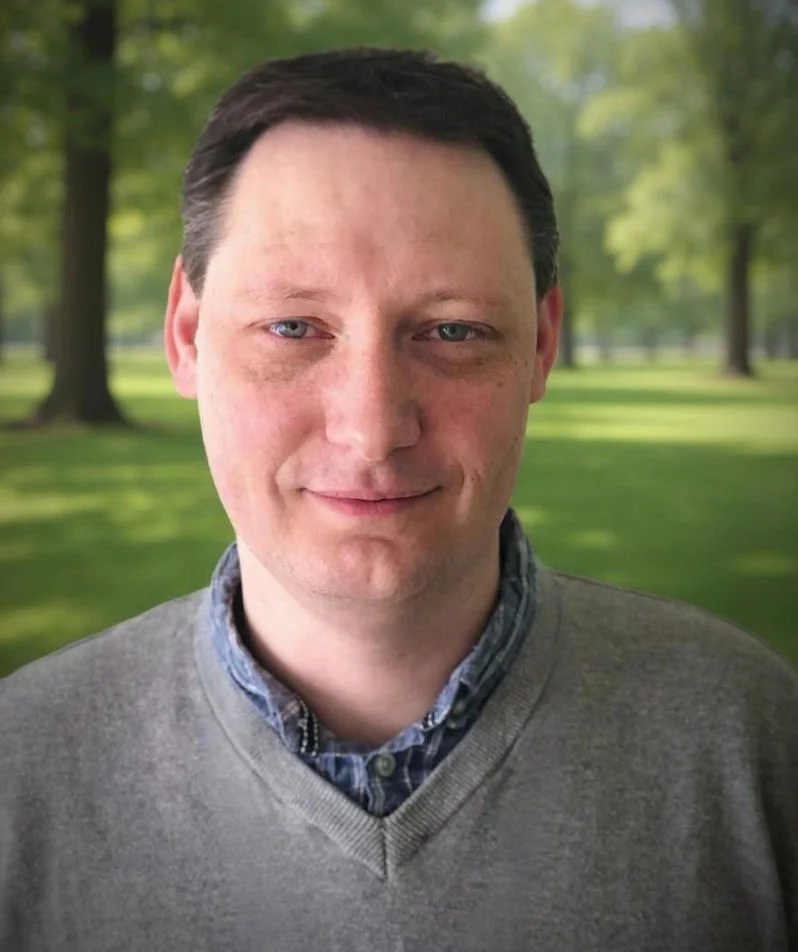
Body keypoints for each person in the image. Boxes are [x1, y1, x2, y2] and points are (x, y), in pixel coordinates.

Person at [1, 47, 796, 952]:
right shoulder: (18, 772)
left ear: (539, 346)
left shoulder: (755, 748)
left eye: (453, 330)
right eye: (294, 327)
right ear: (187, 335)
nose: (372, 427)